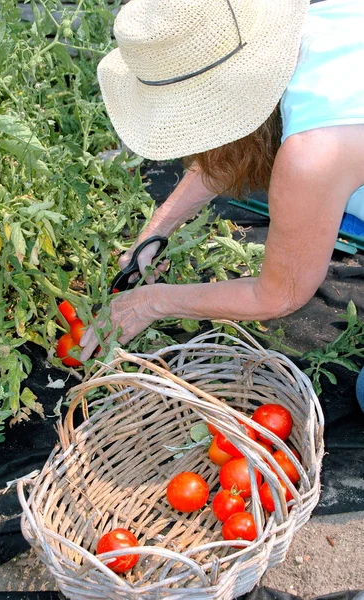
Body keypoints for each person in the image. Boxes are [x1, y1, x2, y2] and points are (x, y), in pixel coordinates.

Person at [80, 0, 364, 361]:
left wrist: (151, 303)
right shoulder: (320, 23)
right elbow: (241, 140)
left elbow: (280, 294)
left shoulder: (313, 153)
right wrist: (158, 228)